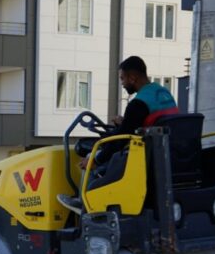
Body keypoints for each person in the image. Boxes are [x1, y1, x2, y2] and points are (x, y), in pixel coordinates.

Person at [59, 56, 178, 214]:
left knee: (94, 154)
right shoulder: (163, 93)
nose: (122, 83)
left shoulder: (138, 103)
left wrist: (96, 159)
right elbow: (151, 121)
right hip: (168, 152)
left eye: (122, 78)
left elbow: (121, 139)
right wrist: (125, 122)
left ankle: (84, 203)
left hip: (146, 158)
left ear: (132, 77)